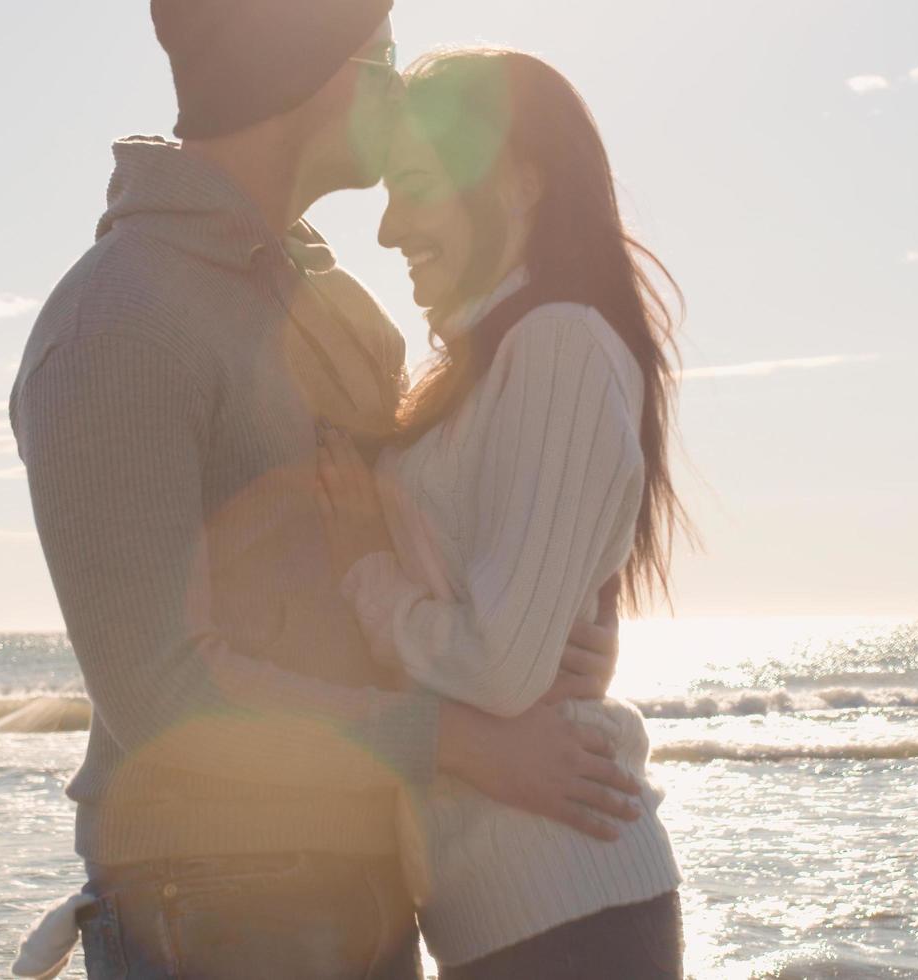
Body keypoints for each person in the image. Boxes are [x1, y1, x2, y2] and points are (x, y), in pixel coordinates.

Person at [9, 4, 644, 976]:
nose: (400, 88)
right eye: (382, 58)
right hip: (215, 900)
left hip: (370, 881)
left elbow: (390, 560)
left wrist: (557, 629)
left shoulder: (337, 307)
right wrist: (464, 741)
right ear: (308, 72)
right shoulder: (116, 324)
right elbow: (163, 694)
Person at [314, 46, 695, 978]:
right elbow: (514, 628)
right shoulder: (484, 366)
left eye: (413, 188)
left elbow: (499, 667)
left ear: (520, 184)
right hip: (512, 915)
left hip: (570, 910)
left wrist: (365, 566)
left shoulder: (558, 346)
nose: (391, 227)